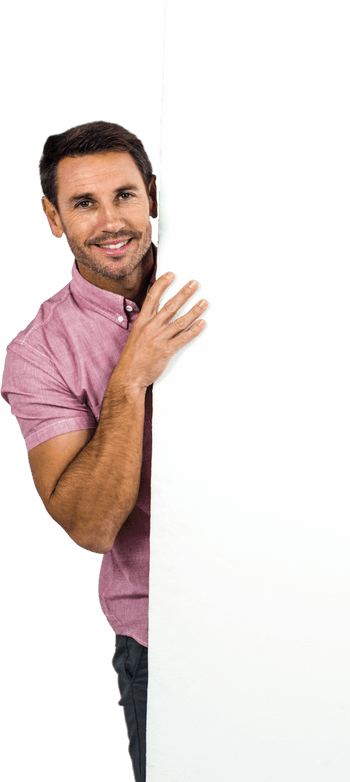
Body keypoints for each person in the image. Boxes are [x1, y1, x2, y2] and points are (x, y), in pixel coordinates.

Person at [0, 120, 209, 782]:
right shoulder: (36, 354)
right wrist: (130, 376)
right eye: (84, 203)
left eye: (124, 195)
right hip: (161, 642)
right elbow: (89, 525)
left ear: (151, 194)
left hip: (293, 603)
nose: (110, 221)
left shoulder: (225, 283)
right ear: (52, 217)